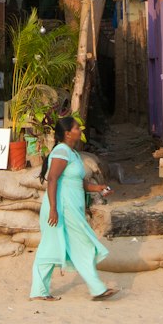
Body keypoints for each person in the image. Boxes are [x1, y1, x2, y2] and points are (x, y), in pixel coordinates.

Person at [30, 115, 116, 301]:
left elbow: (79, 182)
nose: (80, 130)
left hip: (70, 210)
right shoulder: (62, 151)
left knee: (78, 245)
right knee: (54, 247)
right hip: (61, 209)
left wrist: (98, 188)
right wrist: (53, 209)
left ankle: (96, 288)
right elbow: (52, 179)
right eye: (77, 128)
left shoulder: (73, 154)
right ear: (68, 133)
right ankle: (39, 291)